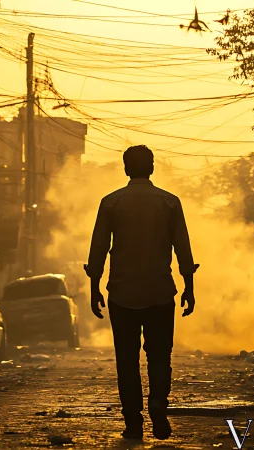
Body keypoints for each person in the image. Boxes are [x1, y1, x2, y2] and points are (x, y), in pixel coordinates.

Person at [84, 145, 198, 440]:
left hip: (122, 293)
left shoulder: (110, 203)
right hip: (160, 292)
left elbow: (98, 249)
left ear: (125, 169)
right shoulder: (170, 203)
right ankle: (158, 403)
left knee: (127, 359)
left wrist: (94, 287)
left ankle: (133, 422)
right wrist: (189, 287)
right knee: (160, 356)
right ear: (152, 167)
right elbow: (182, 248)